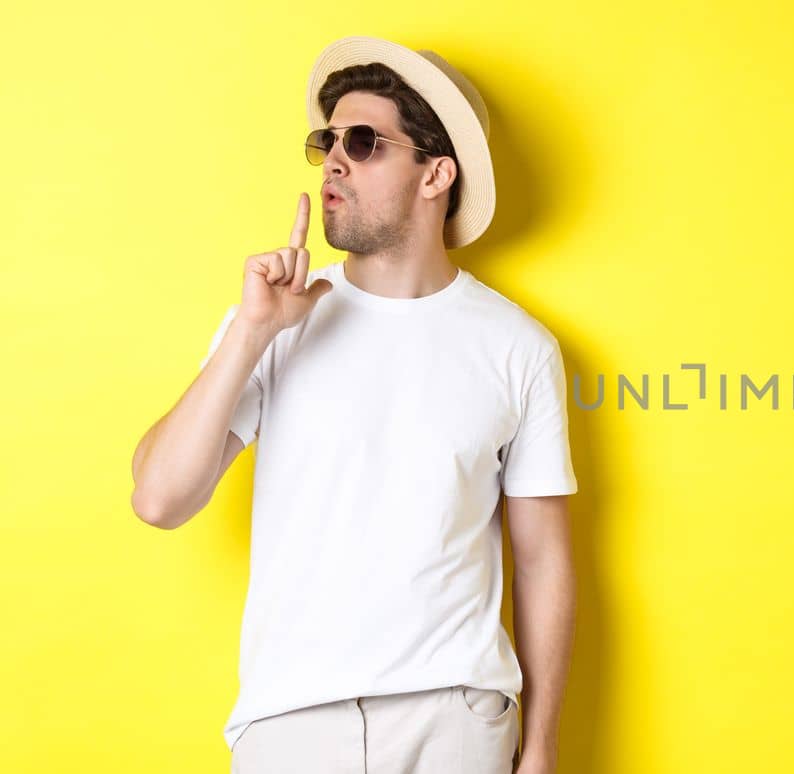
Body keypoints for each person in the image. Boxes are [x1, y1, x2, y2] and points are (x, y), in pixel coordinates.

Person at [129, 36, 577, 774]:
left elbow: (544, 561)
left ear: (436, 174)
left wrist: (543, 747)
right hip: (290, 722)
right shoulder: (271, 320)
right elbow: (159, 499)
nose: (334, 159)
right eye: (326, 141)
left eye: (363, 142)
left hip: (456, 718)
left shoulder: (518, 347)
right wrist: (250, 333)